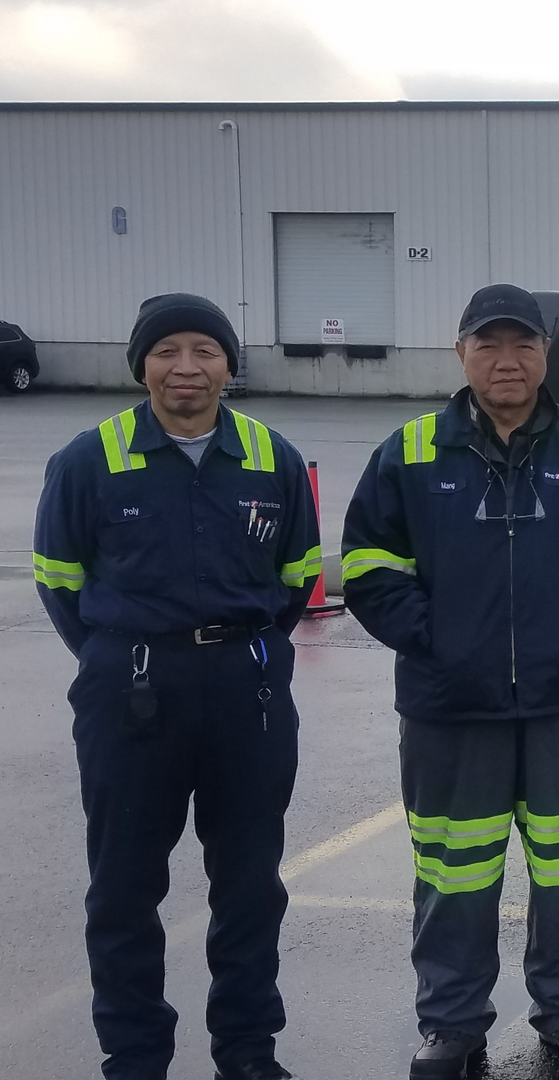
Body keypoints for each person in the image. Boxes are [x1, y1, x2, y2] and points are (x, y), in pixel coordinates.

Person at [341, 284, 559, 1080]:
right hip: (452, 709)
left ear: (546, 355)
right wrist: (441, 643)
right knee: (453, 875)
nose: (506, 360)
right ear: (461, 354)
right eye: (488, 345)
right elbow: (368, 566)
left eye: (522, 344)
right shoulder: (411, 452)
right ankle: (452, 1024)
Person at [32, 293, 321, 1080]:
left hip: (247, 696)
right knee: (123, 890)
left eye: (204, 350)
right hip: (129, 694)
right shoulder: (88, 461)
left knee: (250, 888)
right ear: (141, 365)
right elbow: (60, 581)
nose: (186, 368)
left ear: (230, 365)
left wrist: (239, 652)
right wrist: (116, 657)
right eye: (166, 352)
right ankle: (133, 1057)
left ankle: (248, 1052)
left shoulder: (275, 459)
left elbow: (296, 579)